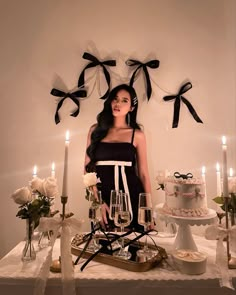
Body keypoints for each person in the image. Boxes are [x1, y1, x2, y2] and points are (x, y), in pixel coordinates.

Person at [84, 84, 151, 231]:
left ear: (131, 108)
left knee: (133, 249)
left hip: (132, 198)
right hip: (104, 201)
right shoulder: (95, 130)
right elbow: (87, 172)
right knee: (103, 249)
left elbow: (144, 174)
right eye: (115, 99)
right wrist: (99, 202)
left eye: (124, 100)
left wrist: (148, 211)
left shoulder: (137, 135)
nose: (118, 103)